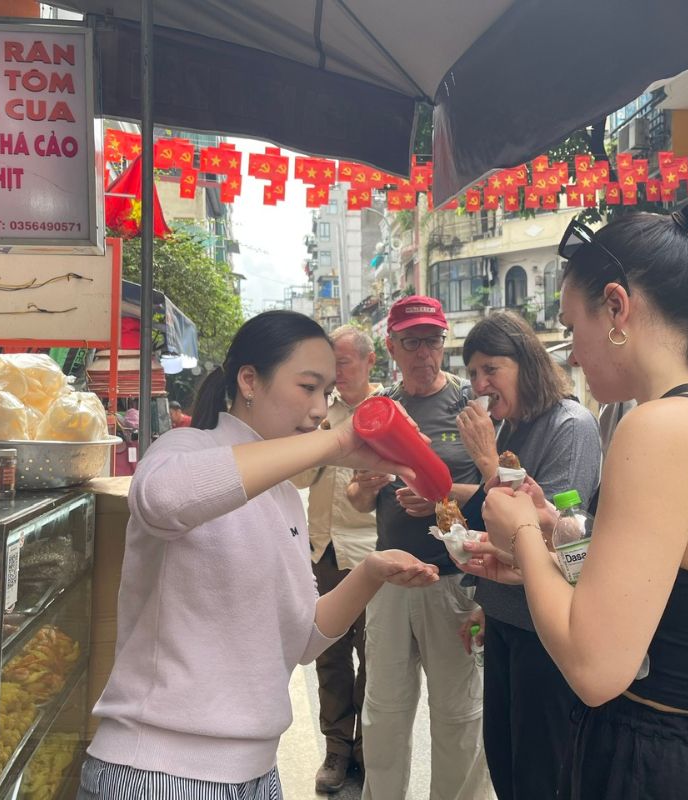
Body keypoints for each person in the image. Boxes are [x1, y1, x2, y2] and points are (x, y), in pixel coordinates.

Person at [464, 199, 688, 799]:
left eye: (571, 327)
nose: (572, 349)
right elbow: (687, 598)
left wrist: (527, 535)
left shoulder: (660, 428)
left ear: (616, 307)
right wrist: (558, 539)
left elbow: (594, 668)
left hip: (671, 762)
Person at [77, 310, 439, 800]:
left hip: (255, 773)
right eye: (307, 387)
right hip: (158, 770)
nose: (319, 409)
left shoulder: (284, 496)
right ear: (249, 380)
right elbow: (161, 499)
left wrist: (373, 570)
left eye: (328, 393)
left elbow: (304, 638)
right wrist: (333, 443)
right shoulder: (185, 447)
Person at [346, 295, 491, 800]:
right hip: (390, 581)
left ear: (443, 340)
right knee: (384, 712)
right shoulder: (379, 411)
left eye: (431, 340)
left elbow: (498, 490)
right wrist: (364, 488)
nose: (424, 352)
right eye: (412, 342)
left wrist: (440, 497)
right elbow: (357, 497)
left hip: (455, 582)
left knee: (458, 714)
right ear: (391, 347)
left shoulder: (471, 407)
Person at [453, 311, 600, 800]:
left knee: (541, 770)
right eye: (472, 372)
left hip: (546, 630)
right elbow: (497, 532)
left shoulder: (571, 425)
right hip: (504, 620)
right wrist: (483, 602)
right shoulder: (511, 428)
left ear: (526, 363)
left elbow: (556, 536)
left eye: (491, 369)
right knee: (502, 757)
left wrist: (487, 462)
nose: (480, 383)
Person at [291, 325, 382, 793]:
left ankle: (367, 751)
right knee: (329, 657)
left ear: (368, 363)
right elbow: (300, 478)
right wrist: (323, 431)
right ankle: (337, 750)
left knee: (373, 660)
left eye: (343, 363)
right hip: (321, 550)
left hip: (366, 553)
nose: (336, 373)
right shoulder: (321, 413)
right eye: (331, 365)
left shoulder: (386, 412)